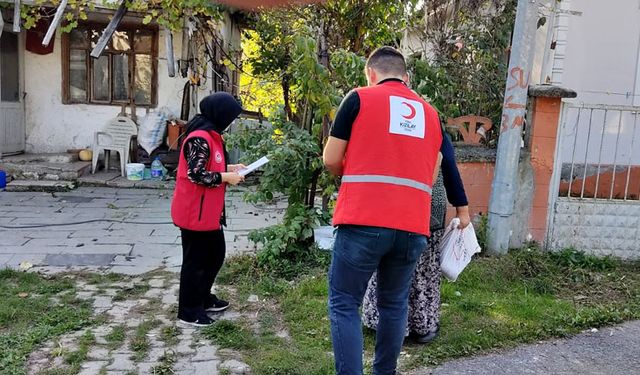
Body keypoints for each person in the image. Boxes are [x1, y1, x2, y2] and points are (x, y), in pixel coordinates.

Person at [323, 46, 443, 375]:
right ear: (406, 77)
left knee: (345, 302)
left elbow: (330, 160)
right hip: (412, 227)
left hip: (363, 219)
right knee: (393, 304)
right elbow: (432, 173)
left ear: (370, 74)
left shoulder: (359, 98)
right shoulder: (431, 114)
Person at [363, 133, 470, 344]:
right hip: (427, 208)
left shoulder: (392, 126)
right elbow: (449, 167)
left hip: (394, 204)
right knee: (423, 266)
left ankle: (380, 321)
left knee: (390, 262)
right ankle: (421, 325)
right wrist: (462, 210)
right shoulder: (433, 126)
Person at [171, 92, 246, 327]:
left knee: (215, 255)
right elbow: (197, 174)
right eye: (230, 117)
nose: (231, 121)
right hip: (195, 212)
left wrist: (231, 168)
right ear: (220, 114)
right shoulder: (199, 138)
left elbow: (209, 164)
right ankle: (189, 311)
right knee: (195, 262)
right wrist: (226, 177)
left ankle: (202, 298)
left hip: (208, 213)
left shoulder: (212, 136)